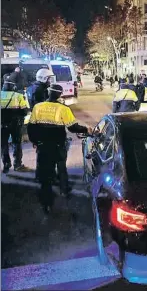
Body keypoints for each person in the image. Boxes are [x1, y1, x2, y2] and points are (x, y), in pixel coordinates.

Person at [27, 84, 91, 214]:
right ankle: (64, 189)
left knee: (45, 172)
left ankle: (46, 202)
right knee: (61, 167)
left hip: (43, 145)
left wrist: (35, 141)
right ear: (59, 95)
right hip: (58, 145)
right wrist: (86, 129)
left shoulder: (38, 107)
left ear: (48, 93)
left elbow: (31, 127)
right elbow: (72, 127)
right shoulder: (63, 109)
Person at [1, 78, 29, 173]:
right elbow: (25, 111)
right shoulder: (18, 96)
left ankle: (6, 164)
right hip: (16, 124)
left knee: (3, 145)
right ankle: (17, 164)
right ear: (14, 86)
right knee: (16, 144)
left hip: (2, 125)